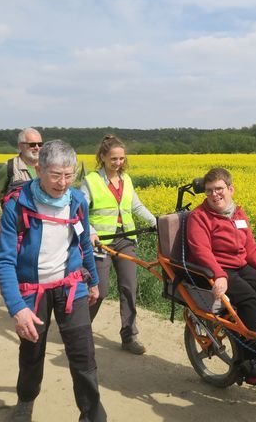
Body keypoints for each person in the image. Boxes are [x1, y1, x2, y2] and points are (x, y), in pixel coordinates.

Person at [0, 140, 106, 422]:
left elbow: (84, 244)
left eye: (69, 175)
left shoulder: (77, 201)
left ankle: (92, 416)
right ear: (39, 169)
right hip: (33, 292)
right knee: (32, 351)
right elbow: (5, 261)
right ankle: (26, 400)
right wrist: (17, 308)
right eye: (56, 175)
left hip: (71, 287)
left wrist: (91, 282)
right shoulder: (17, 206)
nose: (63, 183)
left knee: (84, 355)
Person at [186, 167, 256, 386]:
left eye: (219, 189)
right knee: (248, 298)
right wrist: (218, 275)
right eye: (209, 191)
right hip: (218, 269)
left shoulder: (238, 213)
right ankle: (251, 361)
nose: (214, 195)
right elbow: (201, 251)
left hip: (240, 265)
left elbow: (250, 248)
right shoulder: (199, 217)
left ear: (230, 189)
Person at [80, 134, 156, 355]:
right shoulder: (91, 181)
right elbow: (81, 212)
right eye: (114, 158)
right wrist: (91, 232)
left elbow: (136, 206)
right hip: (100, 242)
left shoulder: (127, 180)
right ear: (103, 157)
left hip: (126, 238)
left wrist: (156, 222)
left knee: (129, 288)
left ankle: (129, 336)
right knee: (100, 290)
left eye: (121, 158)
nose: (118, 163)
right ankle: (80, 331)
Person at [0, 128, 43, 240]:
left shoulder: (48, 166)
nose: (37, 147)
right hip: (15, 230)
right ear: (20, 146)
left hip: (43, 227)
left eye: (40, 144)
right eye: (32, 144)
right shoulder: (9, 168)